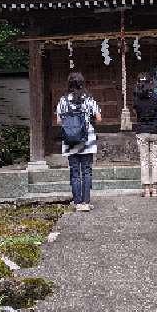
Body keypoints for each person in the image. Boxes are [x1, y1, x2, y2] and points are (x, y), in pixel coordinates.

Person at [56, 72, 101, 212]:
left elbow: (58, 120)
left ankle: (77, 203)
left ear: (69, 84)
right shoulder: (88, 99)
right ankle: (86, 203)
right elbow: (99, 118)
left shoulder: (63, 100)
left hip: (70, 140)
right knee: (86, 171)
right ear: (82, 83)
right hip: (87, 139)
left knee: (75, 171)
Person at [133, 74, 157, 197]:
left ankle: (146, 190)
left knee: (144, 160)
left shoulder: (137, 98)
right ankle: (155, 190)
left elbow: (136, 113)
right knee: (155, 160)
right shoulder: (156, 97)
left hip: (141, 131)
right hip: (155, 130)